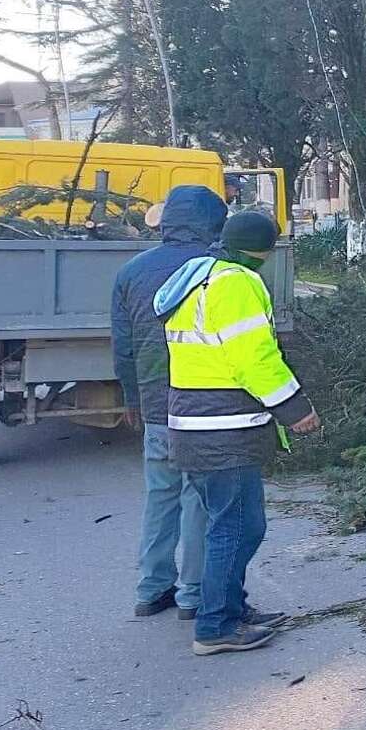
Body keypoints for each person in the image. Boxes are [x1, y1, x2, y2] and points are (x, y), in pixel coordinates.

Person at [155, 210, 319, 655]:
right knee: (239, 527)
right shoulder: (237, 283)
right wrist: (294, 408)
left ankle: (229, 607)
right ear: (264, 249)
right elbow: (254, 357)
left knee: (227, 524)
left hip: (196, 424)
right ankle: (216, 626)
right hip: (224, 429)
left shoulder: (200, 278)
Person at [111, 184, 227, 622]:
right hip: (202, 407)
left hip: (156, 405)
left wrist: (131, 398)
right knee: (199, 499)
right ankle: (193, 595)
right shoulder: (217, 269)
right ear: (212, 225)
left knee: (161, 496)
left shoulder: (131, 272)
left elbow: (123, 346)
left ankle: (151, 588)